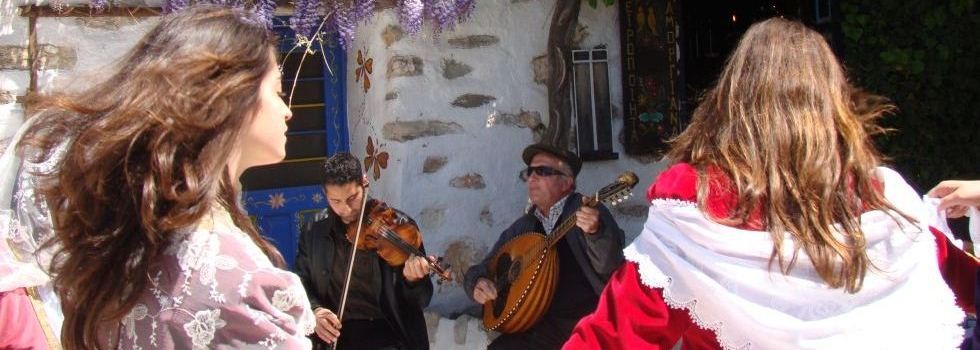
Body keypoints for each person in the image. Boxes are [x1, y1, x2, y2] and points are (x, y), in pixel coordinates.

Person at [564, 18, 977, 349]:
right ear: (831, 100)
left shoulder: (698, 204)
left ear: (732, 99)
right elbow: (964, 282)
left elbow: (614, 335)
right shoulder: (878, 199)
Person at [16, 6, 315, 348]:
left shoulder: (130, 252)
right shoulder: (236, 285)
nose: (287, 109)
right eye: (277, 90)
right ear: (232, 97)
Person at [464, 143, 626, 349]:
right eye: (529, 172)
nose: (532, 178)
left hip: (584, 323)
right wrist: (477, 283)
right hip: (538, 325)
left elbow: (612, 268)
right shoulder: (525, 226)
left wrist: (596, 234)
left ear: (567, 182)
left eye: (542, 171)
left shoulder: (588, 210)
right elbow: (484, 267)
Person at [294, 152, 435, 350]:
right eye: (336, 201)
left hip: (390, 334)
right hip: (338, 335)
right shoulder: (313, 232)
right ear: (325, 194)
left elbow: (422, 300)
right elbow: (301, 283)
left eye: (352, 198)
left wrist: (413, 281)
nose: (346, 209)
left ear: (364, 183)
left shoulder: (399, 229)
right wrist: (315, 311)